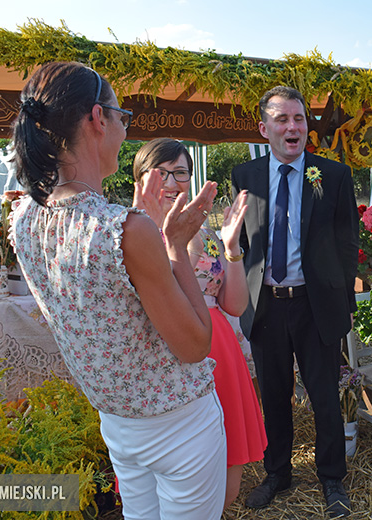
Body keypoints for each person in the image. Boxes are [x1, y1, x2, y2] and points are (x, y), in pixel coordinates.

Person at [9, 62, 226, 519]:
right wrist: (176, 245)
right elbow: (195, 344)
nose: (124, 131)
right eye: (120, 116)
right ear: (96, 118)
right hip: (179, 425)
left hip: (117, 426)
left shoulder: (24, 219)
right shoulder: (122, 228)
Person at [230, 86, 358, 518]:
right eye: (282, 120)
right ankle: (277, 473)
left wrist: (344, 307)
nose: (293, 127)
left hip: (315, 306)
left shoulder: (334, 176)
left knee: (324, 396)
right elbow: (244, 242)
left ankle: (332, 478)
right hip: (265, 306)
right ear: (264, 128)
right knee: (274, 394)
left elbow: (347, 244)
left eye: (299, 119)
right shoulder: (244, 176)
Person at [131, 137, 267, 509]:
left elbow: (235, 305)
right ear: (141, 177)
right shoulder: (130, 233)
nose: (174, 183)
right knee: (170, 485)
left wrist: (231, 248)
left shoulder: (204, 235)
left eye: (181, 173)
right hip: (165, 356)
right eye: (163, 173)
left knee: (226, 488)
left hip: (220, 352)